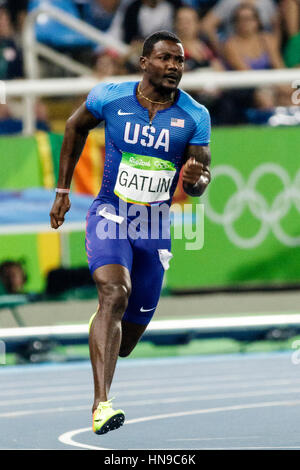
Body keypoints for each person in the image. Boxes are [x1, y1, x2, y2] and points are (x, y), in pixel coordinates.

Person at [49, 30, 211, 435]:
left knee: (125, 342)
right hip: (110, 212)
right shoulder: (110, 96)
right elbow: (73, 128)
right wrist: (63, 191)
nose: (174, 66)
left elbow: (200, 179)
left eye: (180, 61)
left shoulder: (194, 116)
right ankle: (101, 404)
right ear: (144, 62)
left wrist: (195, 179)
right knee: (113, 293)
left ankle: (106, 323)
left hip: (153, 226)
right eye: (165, 59)